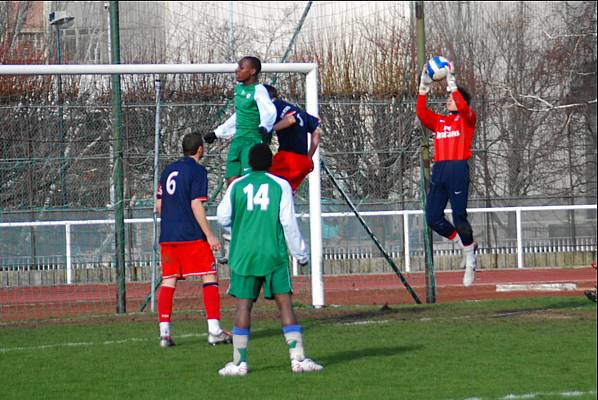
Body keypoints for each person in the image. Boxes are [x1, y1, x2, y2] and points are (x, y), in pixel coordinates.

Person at [216, 143, 324, 376]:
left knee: (244, 306)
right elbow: (288, 222)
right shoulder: (280, 185)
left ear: (250, 164)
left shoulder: (237, 185)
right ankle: (297, 360)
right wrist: (300, 253)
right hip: (272, 253)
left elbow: (222, 216)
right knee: (284, 304)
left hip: (244, 255)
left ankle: (239, 362)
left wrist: (239, 227)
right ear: (270, 163)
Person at [154, 132, 232, 347]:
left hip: (168, 235)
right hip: (190, 235)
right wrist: (210, 235)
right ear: (200, 149)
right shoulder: (197, 170)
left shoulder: (168, 170)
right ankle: (214, 330)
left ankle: (164, 334)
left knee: (169, 281)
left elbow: (158, 206)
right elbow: (196, 204)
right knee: (209, 276)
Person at [416, 62, 478, 287]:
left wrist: (452, 83)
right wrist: (423, 88)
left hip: (458, 169)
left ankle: (471, 260)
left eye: (451, 98)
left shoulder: (467, 119)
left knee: (459, 216)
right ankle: (465, 245)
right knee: (432, 217)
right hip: (440, 170)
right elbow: (422, 113)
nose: (447, 100)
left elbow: (462, 106)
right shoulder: (441, 122)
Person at [203, 56, 277, 186]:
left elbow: (269, 111)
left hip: (251, 140)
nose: (237, 70)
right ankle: (235, 206)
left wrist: (265, 126)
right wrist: (217, 133)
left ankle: (249, 206)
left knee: (248, 181)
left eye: (241, 68)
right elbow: (239, 115)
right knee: (231, 180)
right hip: (237, 140)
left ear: (252, 71)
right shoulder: (239, 89)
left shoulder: (258, 90)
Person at [262, 84, 321, 192]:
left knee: (264, 182)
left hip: (288, 158)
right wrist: (309, 156)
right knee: (286, 192)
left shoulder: (274, 107)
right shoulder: (297, 110)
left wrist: (271, 128)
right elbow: (316, 132)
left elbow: (290, 120)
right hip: (303, 161)